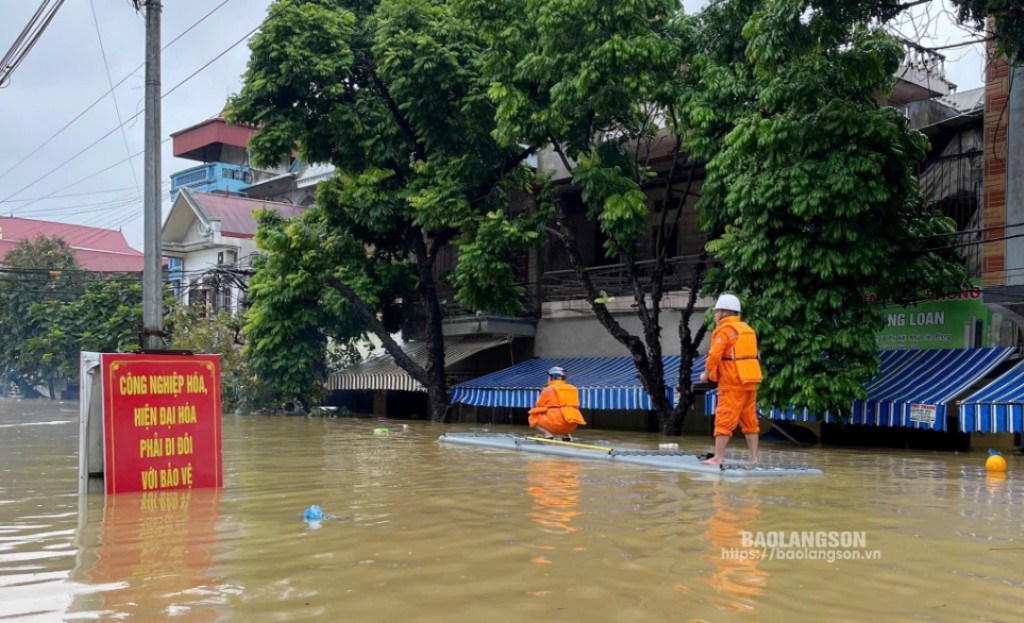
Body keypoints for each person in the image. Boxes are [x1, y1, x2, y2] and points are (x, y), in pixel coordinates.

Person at [700, 294, 762, 466]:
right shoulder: (747, 329)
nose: (714, 315)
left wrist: (706, 375)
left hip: (732, 382)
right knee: (750, 421)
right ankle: (755, 459)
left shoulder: (725, 330)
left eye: (717, 311)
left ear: (724, 312)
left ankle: (718, 457)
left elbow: (714, 356)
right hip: (749, 380)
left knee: (724, 418)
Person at [529, 366, 586, 440]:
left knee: (533, 415)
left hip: (555, 424)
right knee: (565, 414)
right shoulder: (573, 388)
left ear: (552, 377)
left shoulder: (548, 389)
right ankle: (566, 436)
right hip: (571, 425)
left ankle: (548, 434)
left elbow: (539, 405)